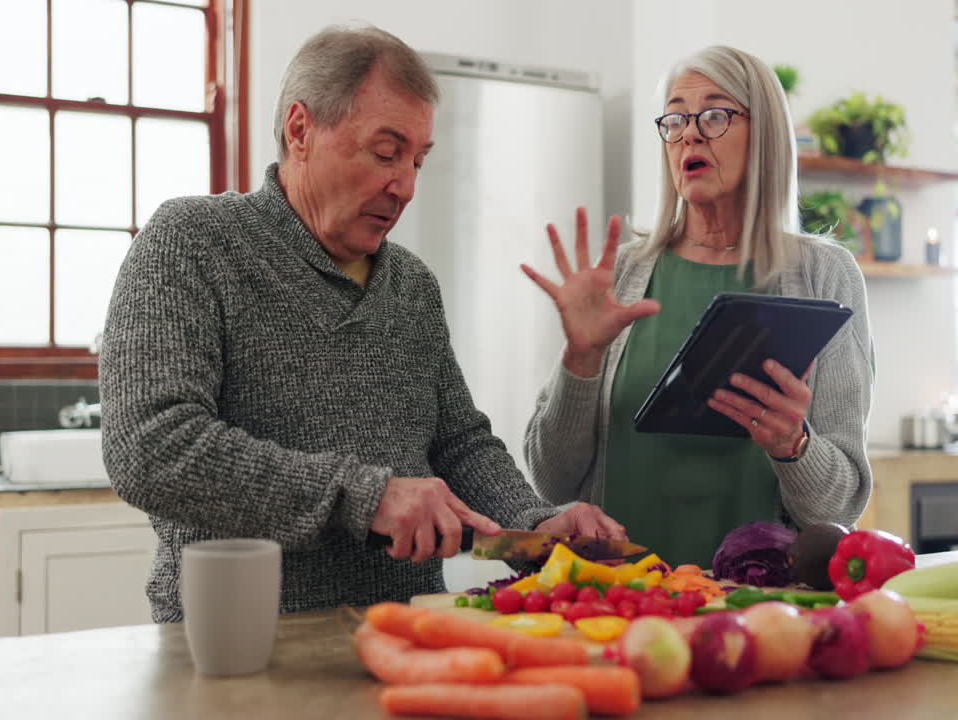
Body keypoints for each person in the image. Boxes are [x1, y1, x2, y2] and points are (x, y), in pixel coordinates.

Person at [99, 24, 623, 623]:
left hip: (407, 634)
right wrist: (365, 497)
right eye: (385, 152)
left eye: (419, 161)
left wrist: (535, 522)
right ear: (301, 130)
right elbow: (150, 448)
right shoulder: (193, 242)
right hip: (234, 642)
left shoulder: (412, 284)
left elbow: (459, 443)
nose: (405, 186)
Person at [521, 45, 874, 568]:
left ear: (765, 135)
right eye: (676, 118)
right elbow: (550, 480)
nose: (689, 133)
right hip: (618, 600)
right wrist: (581, 361)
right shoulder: (622, 275)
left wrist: (792, 445)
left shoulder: (824, 275)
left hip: (760, 607)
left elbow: (842, 505)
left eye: (714, 114)